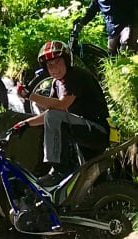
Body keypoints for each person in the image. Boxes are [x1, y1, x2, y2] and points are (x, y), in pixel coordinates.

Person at [13, 40, 112, 185]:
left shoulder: (75, 76)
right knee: (95, 183)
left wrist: (29, 96)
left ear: (67, 61)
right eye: (50, 65)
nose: (54, 68)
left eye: (57, 62)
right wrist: (26, 123)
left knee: (55, 116)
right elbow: (50, 113)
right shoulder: (56, 83)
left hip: (98, 131)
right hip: (83, 130)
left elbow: (61, 105)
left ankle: (58, 169)